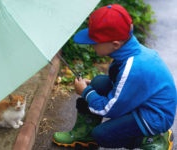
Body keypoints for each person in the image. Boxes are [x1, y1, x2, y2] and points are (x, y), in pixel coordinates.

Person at [53, 4, 177, 149]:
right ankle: (84, 134)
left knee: (102, 135)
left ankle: (153, 139)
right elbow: (119, 88)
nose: (91, 46)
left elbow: (109, 109)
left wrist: (86, 93)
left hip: (154, 117)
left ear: (115, 44)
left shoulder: (133, 67)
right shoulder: (128, 52)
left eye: (95, 42)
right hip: (142, 103)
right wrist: (92, 89)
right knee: (98, 83)